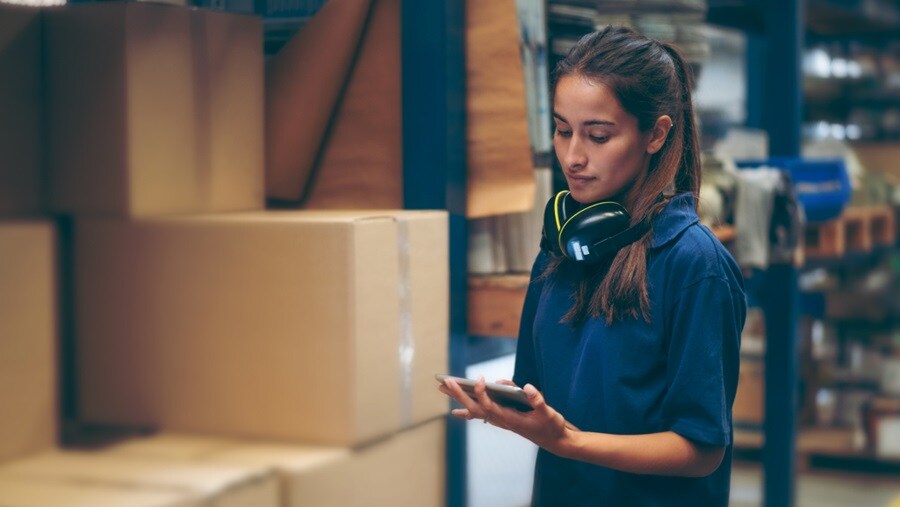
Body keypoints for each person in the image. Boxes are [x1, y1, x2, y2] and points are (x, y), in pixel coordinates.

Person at [438, 25, 747, 506]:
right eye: (562, 131)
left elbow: (701, 448)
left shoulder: (695, 265)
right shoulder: (560, 250)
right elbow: (537, 392)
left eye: (598, 136)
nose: (573, 157)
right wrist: (512, 407)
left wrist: (568, 441)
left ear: (656, 134)